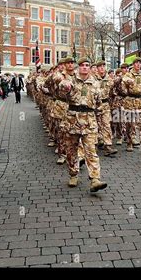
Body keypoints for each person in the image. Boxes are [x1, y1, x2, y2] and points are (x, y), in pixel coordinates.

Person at [57, 57, 107, 192]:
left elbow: (98, 104)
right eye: (82, 65)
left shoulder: (95, 83)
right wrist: (64, 87)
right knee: (71, 150)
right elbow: (61, 92)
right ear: (78, 67)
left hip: (89, 121)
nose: (84, 67)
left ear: (90, 68)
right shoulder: (70, 80)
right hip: (72, 120)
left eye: (87, 65)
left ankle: (95, 179)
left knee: (91, 151)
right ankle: (73, 174)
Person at [121, 57, 141, 152]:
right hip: (130, 101)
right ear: (133, 64)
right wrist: (128, 86)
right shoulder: (128, 75)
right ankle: (129, 142)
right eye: (136, 63)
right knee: (130, 124)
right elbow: (123, 83)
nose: (138, 65)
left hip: (140, 102)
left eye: (139, 63)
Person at [95, 60, 118, 157]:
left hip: (105, 104)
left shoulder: (110, 80)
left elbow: (112, 93)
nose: (102, 68)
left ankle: (108, 146)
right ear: (97, 68)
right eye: (100, 66)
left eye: (103, 66)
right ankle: (94, 145)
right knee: (95, 125)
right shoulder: (93, 79)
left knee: (106, 125)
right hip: (95, 105)